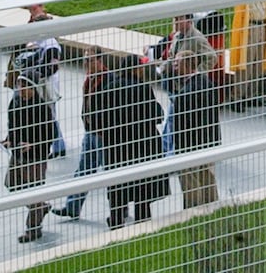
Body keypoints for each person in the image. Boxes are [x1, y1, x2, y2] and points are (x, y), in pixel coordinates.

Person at [94, 53, 169, 229]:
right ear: (135, 69)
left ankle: (116, 224)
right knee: (141, 192)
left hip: (116, 150)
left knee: (117, 190)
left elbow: (98, 120)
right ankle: (142, 226)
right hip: (141, 148)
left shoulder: (108, 88)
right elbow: (157, 114)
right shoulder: (143, 88)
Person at [159, 39, 221, 209]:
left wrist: (178, 151)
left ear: (187, 66)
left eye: (177, 64)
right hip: (209, 142)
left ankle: (193, 214)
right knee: (208, 179)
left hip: (189, 147)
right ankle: (213, 210)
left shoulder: (184, 95)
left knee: (191, 184)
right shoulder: (208, 84)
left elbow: (178, 127)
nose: (175, 67)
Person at [53, 48, 108, 221]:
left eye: (90, 60)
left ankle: (120, 210)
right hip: (90, 132)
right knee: (83, 171)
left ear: (100, 61)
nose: (86, 64)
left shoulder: (108, 80)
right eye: (85, 60)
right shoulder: (89, 79)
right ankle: (72, 207)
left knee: (110, 173)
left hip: (103, 136)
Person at [4, 73, 57, 244]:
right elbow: (12, 125)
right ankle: (41, 206)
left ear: (33, 87)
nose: (21, 89)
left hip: (35, 157)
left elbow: (51, 134)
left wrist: (33, 145)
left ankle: (33, 229)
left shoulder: (42, 108)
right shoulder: (15, 103)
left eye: (24, 86)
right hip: (17, 154)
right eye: (19, 85)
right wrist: (9, 139)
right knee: (11, 184)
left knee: (33, 192)